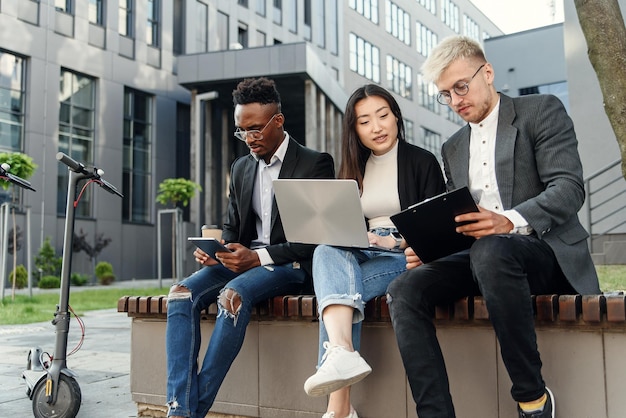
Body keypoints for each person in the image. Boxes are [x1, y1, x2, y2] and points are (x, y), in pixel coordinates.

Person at [386, 35, 601, 418]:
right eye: (446, 94)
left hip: (544, 252)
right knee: (404, 288)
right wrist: (430, 248)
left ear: (487, 73)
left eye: (461, 87)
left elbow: (568, 188)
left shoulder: (541, 111)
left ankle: (532, 399)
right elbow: (461, 221)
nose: (455, 100)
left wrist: (508, 220)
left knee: (491, 248)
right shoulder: (452, 147)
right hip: (483, 259)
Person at [165, 77, 335, 418]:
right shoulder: (240, 168)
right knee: (180, 294)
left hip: (290, 266)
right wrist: (216, 251)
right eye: (241, 131)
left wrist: (258, 256)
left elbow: (317, 237)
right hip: (241, 261)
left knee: (232, 297)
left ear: (278, 121)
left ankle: (191, 411)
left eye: (255, 129)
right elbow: (233, 228)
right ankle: (178, 408)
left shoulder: (314, 164)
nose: (249, 139)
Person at [303, 84, 445, 418]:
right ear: (354, 129)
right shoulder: (354, 167)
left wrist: (392, 241)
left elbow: (435, 230)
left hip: (403, 255)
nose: (376, 127)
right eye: (365, 121)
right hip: (361, 250)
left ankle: (339, 409)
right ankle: (342, 353)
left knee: (338, 295)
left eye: (382, 116)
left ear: (396, 116)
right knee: (325, 249)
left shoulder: (422, 162)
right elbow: (342, 225)